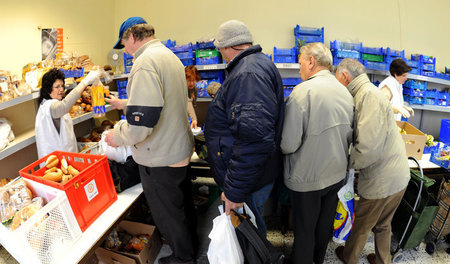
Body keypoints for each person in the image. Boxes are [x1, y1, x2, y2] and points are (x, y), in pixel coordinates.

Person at [104, 17, 197, 264]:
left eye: (123, 43)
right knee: (181, 207)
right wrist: (125, 104)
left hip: (160, 155)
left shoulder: (144, 63)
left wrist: (118, 135)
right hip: (178, 148)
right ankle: (190, 248)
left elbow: (142, 124)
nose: (124, 49)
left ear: (132, 37)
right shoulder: (168, 56)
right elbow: (162, 100)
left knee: (168, 214)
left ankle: (182, 257)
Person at [204, 19, 285, 236]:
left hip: (248, 179)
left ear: (229, 47)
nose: (220, 53)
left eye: (220, 49)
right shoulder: (254, 66)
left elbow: (253, 140)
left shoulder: (248, 74)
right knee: (251, 229)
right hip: (254, 174)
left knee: (249, 236)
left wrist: (234, 191)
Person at [280, 42, 354, 264]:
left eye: (300, 61)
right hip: (336, 174)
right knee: (323, 228)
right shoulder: (345, 92)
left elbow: (288, 144)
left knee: (304, 230)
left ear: (311, 61)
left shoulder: (302, 92)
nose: (299, 67)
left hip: (308, 177)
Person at [335, 59, 410, 264]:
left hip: (383, 179)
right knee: (384, 224)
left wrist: (348, 163)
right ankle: (381, 260)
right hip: (398, 176)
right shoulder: (368, 93)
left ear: (344, 77)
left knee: (362, 225)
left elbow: (368, 147)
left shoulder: (367, 96)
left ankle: (349, 258)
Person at [35, 68, 99, 159]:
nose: (61, 90)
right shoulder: (50, 107)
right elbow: (64, 106)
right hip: (58, 162)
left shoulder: (52, 103)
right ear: (48, 89)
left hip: (67, 157)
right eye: (57, 87)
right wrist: (85, 81)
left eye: (62, 86)